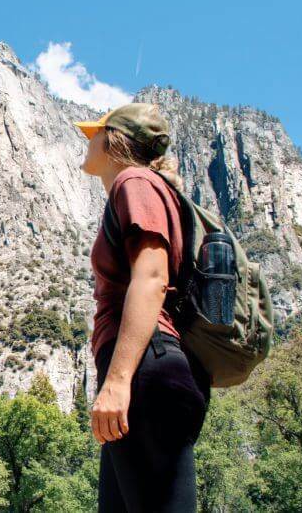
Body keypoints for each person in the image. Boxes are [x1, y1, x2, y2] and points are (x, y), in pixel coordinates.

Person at [74, 103, 211, 512]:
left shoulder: (134, 181)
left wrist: (118, 382)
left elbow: (151, 278)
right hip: (142, 372)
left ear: (114, 141)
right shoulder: (138, 187)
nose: (88, 139)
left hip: (143, 372)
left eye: (95, 132)